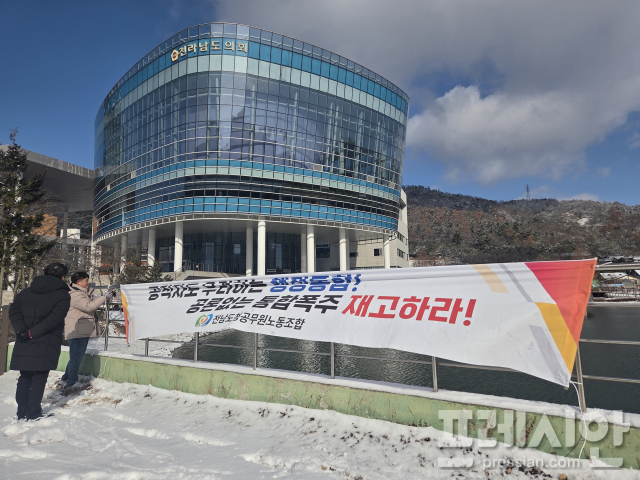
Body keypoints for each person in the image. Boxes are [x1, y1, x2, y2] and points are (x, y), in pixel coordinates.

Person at [9, 263, 71, 420]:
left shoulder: (25, 292)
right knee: (39, 376)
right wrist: (32, 333)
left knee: (25, 376)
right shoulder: (62, 295)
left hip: (24, 339)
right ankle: (33, 412)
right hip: (46, 340)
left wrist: (22, 330)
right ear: (63, 277)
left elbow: (13, 311)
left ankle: (22, 411)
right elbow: (54, 319)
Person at [62, 272, 112, 388]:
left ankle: (66, 378)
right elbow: (89, 307)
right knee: (76, 359)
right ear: (78, 282)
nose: (88, 282)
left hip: (80, 330)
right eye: (86, 280)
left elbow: (89, 303)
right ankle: (71, 383)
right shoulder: (75, 295)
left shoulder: (80, 293)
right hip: (77, 331)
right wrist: (104, 297)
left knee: (75, 358)